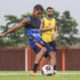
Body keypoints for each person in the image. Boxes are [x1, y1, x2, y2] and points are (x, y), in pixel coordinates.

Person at [0, 4, 55, 76]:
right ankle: (33, 71)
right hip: (33, 40)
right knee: (43, 49)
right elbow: (16, 28)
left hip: (40, 39)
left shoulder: (40, 20)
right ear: (34, 10)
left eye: (40, 14)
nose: (39, 16)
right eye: (38, 14)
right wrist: (5, 33)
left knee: (51, 52)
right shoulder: (27, 19)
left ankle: (51, 72)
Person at [40, 7, 57, 75]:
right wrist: (49, 28)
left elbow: (55, 29)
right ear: (46, 12)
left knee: (53, 55)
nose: (50, 12)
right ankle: (43, 70)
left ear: (52, 12)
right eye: (49, 11)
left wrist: (55, 35)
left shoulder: (54, 20)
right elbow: (40, 29)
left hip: (52, 40)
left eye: (51, 11)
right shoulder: (43, 20)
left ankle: (53, 71)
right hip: (45, 40)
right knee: (45, 56)